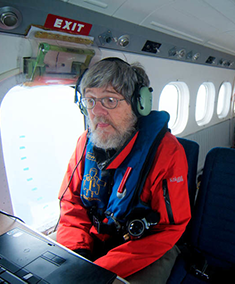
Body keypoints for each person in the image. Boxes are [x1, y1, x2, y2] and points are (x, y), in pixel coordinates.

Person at [57, 57, 191, 282]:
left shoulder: (167, 152)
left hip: (145, 248)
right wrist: (77, 252)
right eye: (90, 100)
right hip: (91, 240)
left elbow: (169, 229)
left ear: (140, 104)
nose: (96, 111)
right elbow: (72, 204)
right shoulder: (84, 143)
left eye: (109, 100)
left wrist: (100, 271)